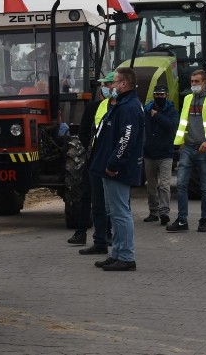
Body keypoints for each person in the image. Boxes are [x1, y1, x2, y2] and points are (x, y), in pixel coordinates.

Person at [88, 68, 145, 271]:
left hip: (117, 169)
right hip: (108, 168)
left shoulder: (129, 107)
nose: (110, 87)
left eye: (114, 82)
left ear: (124, 84)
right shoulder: (121, 104)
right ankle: (118, 253)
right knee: (114, 212)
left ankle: (127, 257)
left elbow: (126, 140)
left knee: (121, 213)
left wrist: (113, 164)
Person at [167, 70, 206, 233]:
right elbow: (183, 122)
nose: (193, 84)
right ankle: (182, 220)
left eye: (197, 81)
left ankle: (204, 220)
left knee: (205, 187)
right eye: (192, 81)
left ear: (205, 82)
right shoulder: (187, 99)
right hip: (188, 148)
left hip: (204, 149)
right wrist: (180, 143)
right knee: (181, 183)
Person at [70, 72, 115, 247]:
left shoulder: (119, 107)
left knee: (108, 198)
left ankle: (107, 233)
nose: (107, 87)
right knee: (86, 194)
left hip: (109, 158)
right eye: (105, 84)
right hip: (93, 157)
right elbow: (83, 132)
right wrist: (91, 147)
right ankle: (81, 232)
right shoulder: (92, 108)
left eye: (110, 83)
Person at [142, 84, 178, 225]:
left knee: (164, 185)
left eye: (162, 95)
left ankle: (164, 213)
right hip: (149, 154)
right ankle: (153, 212)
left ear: (166, 96)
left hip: (165, 154)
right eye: (157, 95)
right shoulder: (147, 109)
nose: (159, 97)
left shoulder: (171, 110)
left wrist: (157, 116)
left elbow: (172, 126)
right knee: (151, 185)